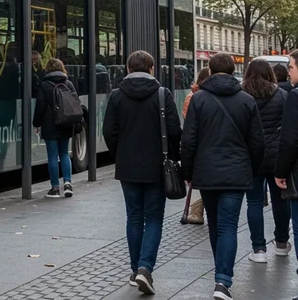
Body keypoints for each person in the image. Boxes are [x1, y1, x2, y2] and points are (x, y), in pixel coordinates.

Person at [182, 52, 264, 300]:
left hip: (207, 172)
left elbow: (189, 140)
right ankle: (223, 280)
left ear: (209, 69)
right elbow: (257, 142)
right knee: (228, 226)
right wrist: (251, 169)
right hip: (237, 172)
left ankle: (221, 274)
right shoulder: (246, 100)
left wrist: (188, 172)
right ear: (232, 71)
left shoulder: (198, 99)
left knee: (215, 225)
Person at [103, 50, 182, 295]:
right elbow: (174, 131)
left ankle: (135, 268)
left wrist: (120, 154)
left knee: (134, 218)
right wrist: (173, 158)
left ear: (128, 69)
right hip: (157, 167)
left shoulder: (117, 96)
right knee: (154, 218)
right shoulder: (162, 94)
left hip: (128, 167)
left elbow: (109, 132)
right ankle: (145, 268)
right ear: (151, 69)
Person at [241, 58, 291, 263]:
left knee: (253, 202)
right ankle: (281, 242)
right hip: (277, 156)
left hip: (252, 156)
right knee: (281, 200)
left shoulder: (242, 96)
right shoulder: (281, 95)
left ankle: (259, 248)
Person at [33, 58, 77, 199]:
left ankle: (55, 188)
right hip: (65, 123)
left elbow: (40, 106)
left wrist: (36, 123)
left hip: (49, 124)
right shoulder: (68, 84)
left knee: (52, 156)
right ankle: (68, 183)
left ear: (48, 69)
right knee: (64, 153)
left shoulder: (44, 85)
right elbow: (75, 103)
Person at [275, 50, 298, 293]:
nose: (289, 72)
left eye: (291, 67)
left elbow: (290, 139)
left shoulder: (295, 96)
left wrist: (280, 171)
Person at [181, 67, 211, 226]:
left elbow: (188, 126)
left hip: (199, 148)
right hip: (207, 147)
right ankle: (197, 211)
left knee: (198, 181)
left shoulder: (192, 97)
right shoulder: (198, 97)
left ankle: (196, 212)